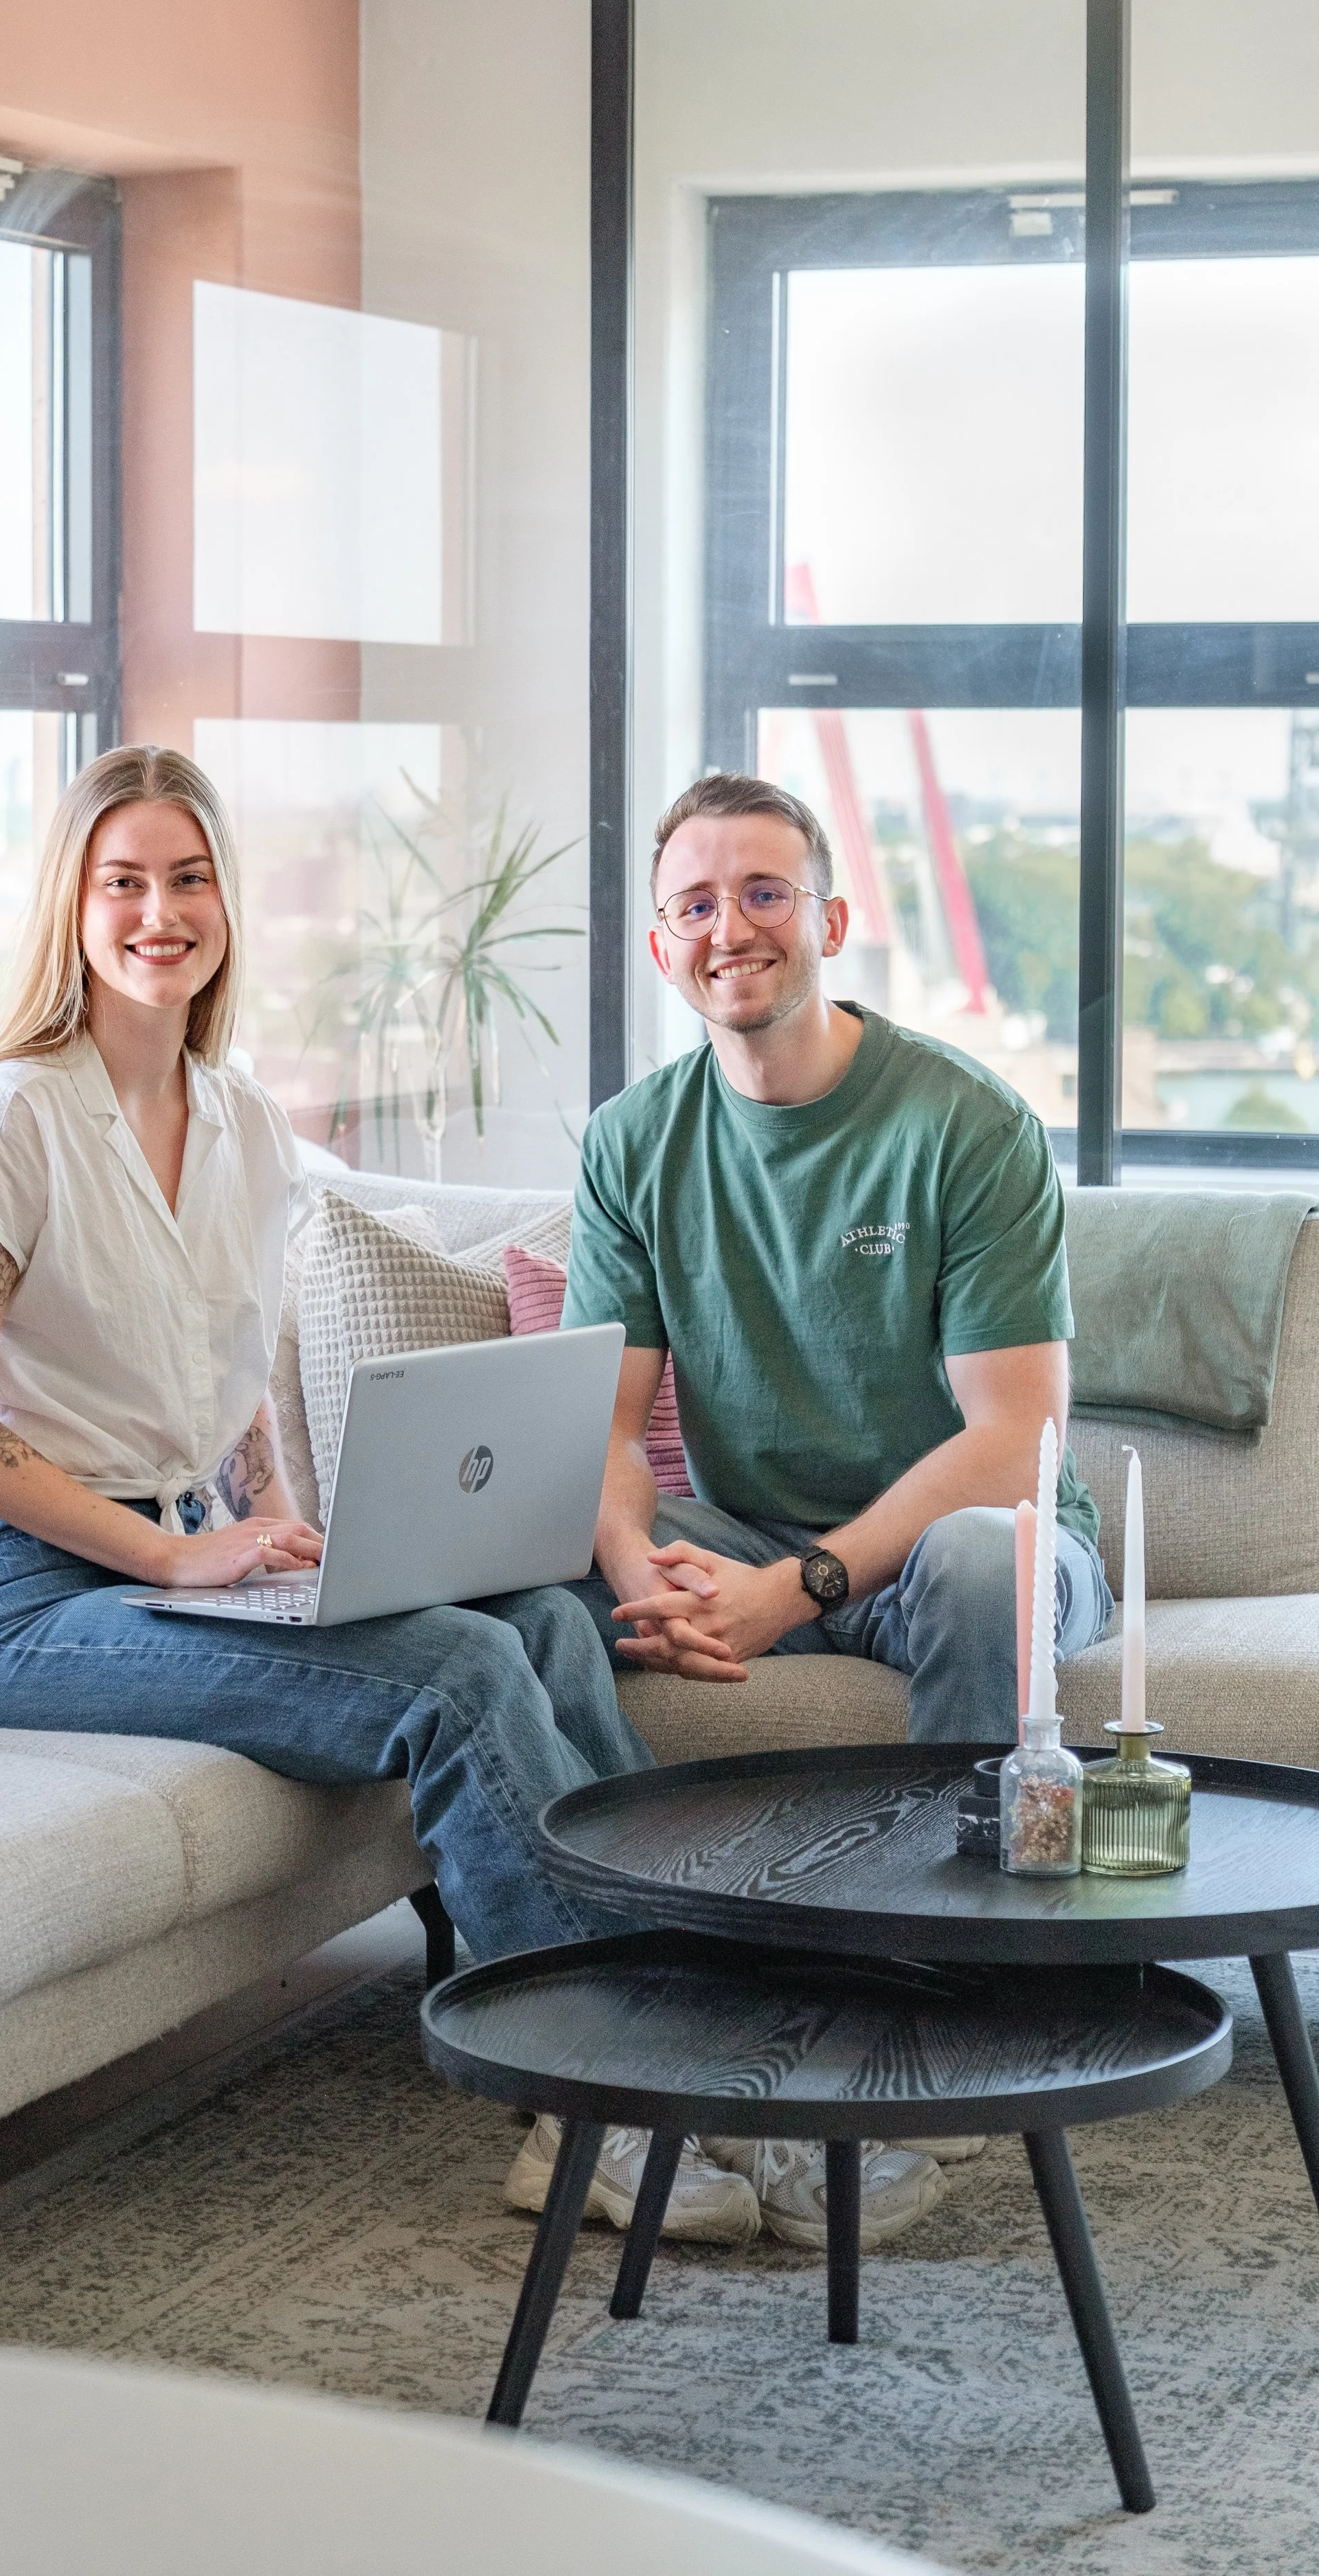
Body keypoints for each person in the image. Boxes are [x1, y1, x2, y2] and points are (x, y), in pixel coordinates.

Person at [0, 745, 759, 2248]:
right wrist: (181, 1555)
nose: (160, 912)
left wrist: (285, 1533)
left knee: (543, 1619)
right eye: (122, 882)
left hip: (182, 1559)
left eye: (190, 878)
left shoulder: (238, 1124)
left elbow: (227, 1388)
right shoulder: (4, 1118)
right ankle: (597, 2099)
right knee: (458, 1676)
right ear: (71, 907)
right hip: (15, 1602)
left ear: (227, 903)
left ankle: (710, 2016)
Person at [542, 769, 1114, 2245]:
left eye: (762, 893)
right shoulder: (631, 1141)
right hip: (748, 1536)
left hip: (966, 1544)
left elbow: (1013, 1439)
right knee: (525, 1592)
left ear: (831, 920)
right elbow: (603, 1428)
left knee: (982, 1563)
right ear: (659, 945)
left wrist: (796, 1586)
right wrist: (637, 1563)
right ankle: (652, 1981)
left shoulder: (961, 1121)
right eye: (693, 904)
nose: (727, 928)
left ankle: (955, 2017)